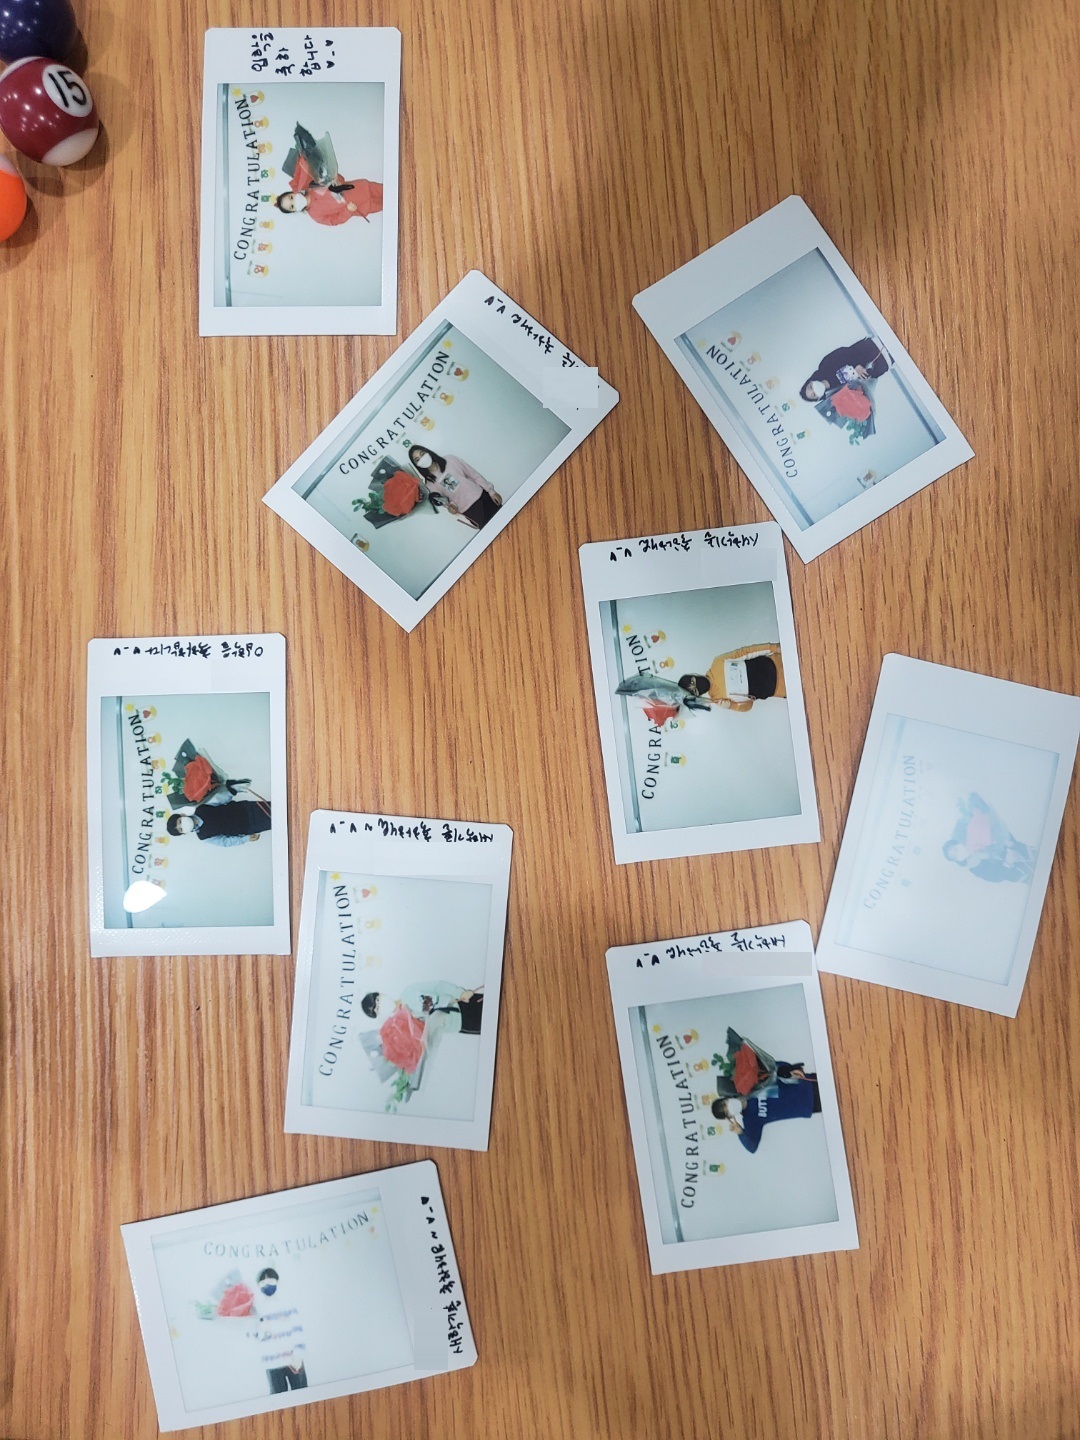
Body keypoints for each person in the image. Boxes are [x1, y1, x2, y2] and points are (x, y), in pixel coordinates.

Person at [712, 1072, 821, 1154]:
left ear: (727, 1098)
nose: (729, 1107)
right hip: (810, 1104)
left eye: (725, 1104)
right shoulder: (751, 1120)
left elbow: (772, 1067)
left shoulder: (749, 1085)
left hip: (807, 1084)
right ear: (730, 1117)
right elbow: (752, 1147)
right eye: (727, 1112)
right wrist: (740, 1132)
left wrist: (789, 1070)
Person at [942, 793, 1036, 883]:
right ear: (958, 860)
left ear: (959, 843)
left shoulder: (975, 837)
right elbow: (994, 877)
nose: (958, 853)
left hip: (1026, 852)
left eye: (955, 849)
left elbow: (997, 827)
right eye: (955, 856)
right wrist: (1008, 863)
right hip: (1024, 875)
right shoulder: (974, 867)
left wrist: (1009, 842)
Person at [407, 445, 502, 530]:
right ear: (416, 465)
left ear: (428, 452)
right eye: (417, 459)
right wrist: (450, 507)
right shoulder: (429, 484)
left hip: (483, 498)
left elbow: (473, 474)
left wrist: (491, 491)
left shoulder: (450, 460)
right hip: (471, 512)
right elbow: (446, 502)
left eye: (422, 454)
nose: (422, 459)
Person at [678, 642, 786, 712]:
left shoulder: (718, 663)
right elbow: (748, 706)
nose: (697, 686)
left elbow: (746, 652)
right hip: (781, 689)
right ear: (698, 695)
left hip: (778, 661)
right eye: (695, 690)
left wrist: (773, 647)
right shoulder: (717, 699)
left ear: (694, 675)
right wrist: (731, 706)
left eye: (693, 682)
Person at [249, 1268, 308, 1393]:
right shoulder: (257, 1309)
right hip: (273, 1363)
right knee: (279, 1399)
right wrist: (262, 1330)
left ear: (277, 1281)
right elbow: (254, 1336)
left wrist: (298, 1355)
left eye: (270, 1281)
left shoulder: (287, 1304)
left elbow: (298, 1331)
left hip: (294, 1359)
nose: (267, 1285)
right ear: (258, 1285)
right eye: (263, 1282)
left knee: (303, 1395)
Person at [362, 982, 483, 1035]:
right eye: (377, 1010)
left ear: (381, 994)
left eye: (378, 1001)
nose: (380, 1006)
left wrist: (460, 993)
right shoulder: (401, 1025)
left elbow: (438, 986)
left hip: (463, 1003)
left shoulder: (409, 992)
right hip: (460, 1025)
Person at [800, 338, 892, 402]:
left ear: (810, 381)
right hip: (884, 363)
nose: (815, 389)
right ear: (818, 398)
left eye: (810, 387)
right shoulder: (835, 393)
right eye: (814, 394)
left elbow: (844, 352)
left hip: (874, 346)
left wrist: (856, 366)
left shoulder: (824, 366)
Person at [274, 177, 383, 224]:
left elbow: (336, 177)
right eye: (292, 206)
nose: (295, 201)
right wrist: (348, 211)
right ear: (295, 211)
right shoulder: (316, 216)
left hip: (363, 188)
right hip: (363, 206)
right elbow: (335, 221)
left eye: (291, 198)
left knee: (390, 190)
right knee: (391, 205)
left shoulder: (313, 185)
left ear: (294, 192)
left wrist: (337, 180)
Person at [165, 799, 271, 847]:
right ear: (184, 833)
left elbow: (220, 800)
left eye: (180, 822)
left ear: (182, 815)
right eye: (181, 829)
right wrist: (245, 839)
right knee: (275, 822)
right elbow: (225, 842)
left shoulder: (201, 807)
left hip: (246, 808)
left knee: (275, 806)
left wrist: (232, 789)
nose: (183, 825)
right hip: (249, 826)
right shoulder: (204, 836)